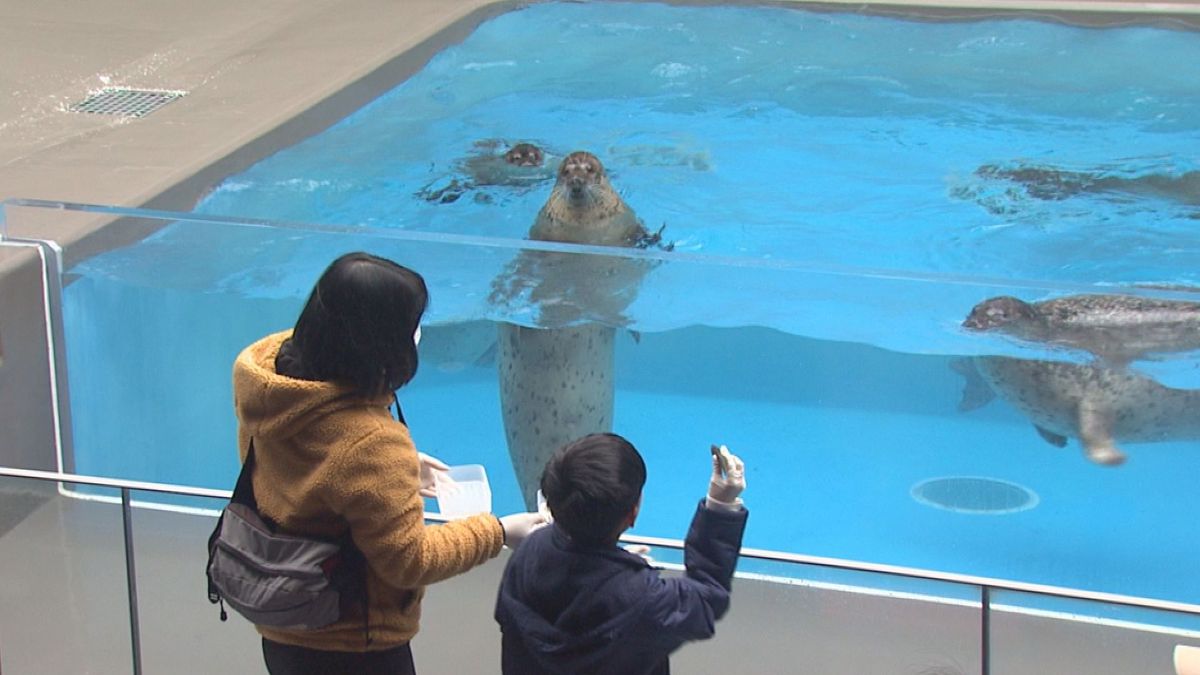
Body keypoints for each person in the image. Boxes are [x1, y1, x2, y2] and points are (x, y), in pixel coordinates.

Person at [231, 251, 545, 674]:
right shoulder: (372, 446)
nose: (417, 335)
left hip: (282, 626)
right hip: (352, 644)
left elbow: (300, 468)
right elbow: (408, 561)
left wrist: (392, 475)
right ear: (378, 342)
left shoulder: (270, 385)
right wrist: (501, 530)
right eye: (411, 326)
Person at [495, 432, 749, 675]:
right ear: (633, 514)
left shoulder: (528, 552)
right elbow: (705, 599)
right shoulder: (648, 600)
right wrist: (720, 504)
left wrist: (615, 566)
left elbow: (570, 593)